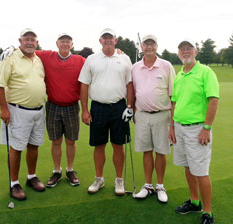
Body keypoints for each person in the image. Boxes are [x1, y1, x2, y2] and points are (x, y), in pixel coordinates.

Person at [0, 33, 86, 188]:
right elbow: (26, 49)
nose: (65, 44)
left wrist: (118, 52)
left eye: (68, 41)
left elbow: (95, 64)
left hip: (72, 106)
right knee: (56, 141)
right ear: (57, 43)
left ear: (72, 44)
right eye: (62, 41)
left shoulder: (80, 60)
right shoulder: (46, 56)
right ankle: (57, 171)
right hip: (52, 105)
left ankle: (70, 170)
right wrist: (11, 48)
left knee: (71, 141)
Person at [169, 39, 219, 224]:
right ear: (179, 53)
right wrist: (172, 126)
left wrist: (206, 128)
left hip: (198, 129)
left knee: (200, 171)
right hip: (180, 128)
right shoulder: (180, 75)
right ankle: (194, 201)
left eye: (188, 48)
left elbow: (213, 100)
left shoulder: (205, 72)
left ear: (195, 51)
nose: (185, 51)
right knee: (188, 167)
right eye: (182, 49)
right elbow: (174, 102)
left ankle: (208, 212)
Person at [78, 28, 133, 195]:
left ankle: (119, 181)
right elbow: (84, 84)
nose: (108, 40)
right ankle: (99, 178)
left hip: (119, 107)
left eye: (111, 38)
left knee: (118, 145)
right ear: (100, 40)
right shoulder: (91, 59)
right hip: (98, 107)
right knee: (99, 145)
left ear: (115, 40)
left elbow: (130, 84)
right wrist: (85, 110)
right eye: (105, 38)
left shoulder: (125, 58)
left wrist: (129, 107)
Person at [0, 28, 47, 201]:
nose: (30, 42)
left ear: (37, 42)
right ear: (20, 40)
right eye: (26, 39)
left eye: (33, 39)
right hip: (18, 110)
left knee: (34, 146)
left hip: (39, 111)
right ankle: (14, 183)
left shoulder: (39, 59)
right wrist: (3, 109)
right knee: (16, 148)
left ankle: (31, 177)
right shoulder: (10, 57)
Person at [132, 34, 176, 202]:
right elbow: (134, 91)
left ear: (156, 46)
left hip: (162, 115)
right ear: (141, 47)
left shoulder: (166, 65)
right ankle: (148, 185)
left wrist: (172, 123)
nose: (149, 47)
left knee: (161, 151)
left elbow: (173, 96)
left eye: (152, 44)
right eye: (146, 44)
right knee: (146, 151)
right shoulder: (135, 67)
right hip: (142, 115)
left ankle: (160, 186)